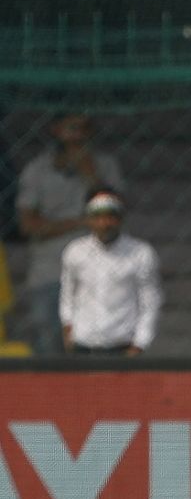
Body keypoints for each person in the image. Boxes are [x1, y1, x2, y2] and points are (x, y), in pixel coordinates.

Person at [16, 112, 124, 354]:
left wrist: (90, 174)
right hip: (50, 269)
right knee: (48, 338)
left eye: (83, 127)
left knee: (103, 341)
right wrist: (81, 223)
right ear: (56, 130)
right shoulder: (37, 169)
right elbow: (28, 225)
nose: (78, 134)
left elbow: (115, 213)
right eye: (71, 128)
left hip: (100, 266)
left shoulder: (105, 166)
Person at [58, 188, 161, 355]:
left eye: (110, 217)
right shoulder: (75, 251)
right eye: (97, 217)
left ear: (120, 219)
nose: (104, 223)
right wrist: (68, 326)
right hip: (83, 343)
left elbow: (150, 300)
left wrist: (141, 342)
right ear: (89, 220)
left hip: (122, 345)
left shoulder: (140, 253)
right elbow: (68, 293)